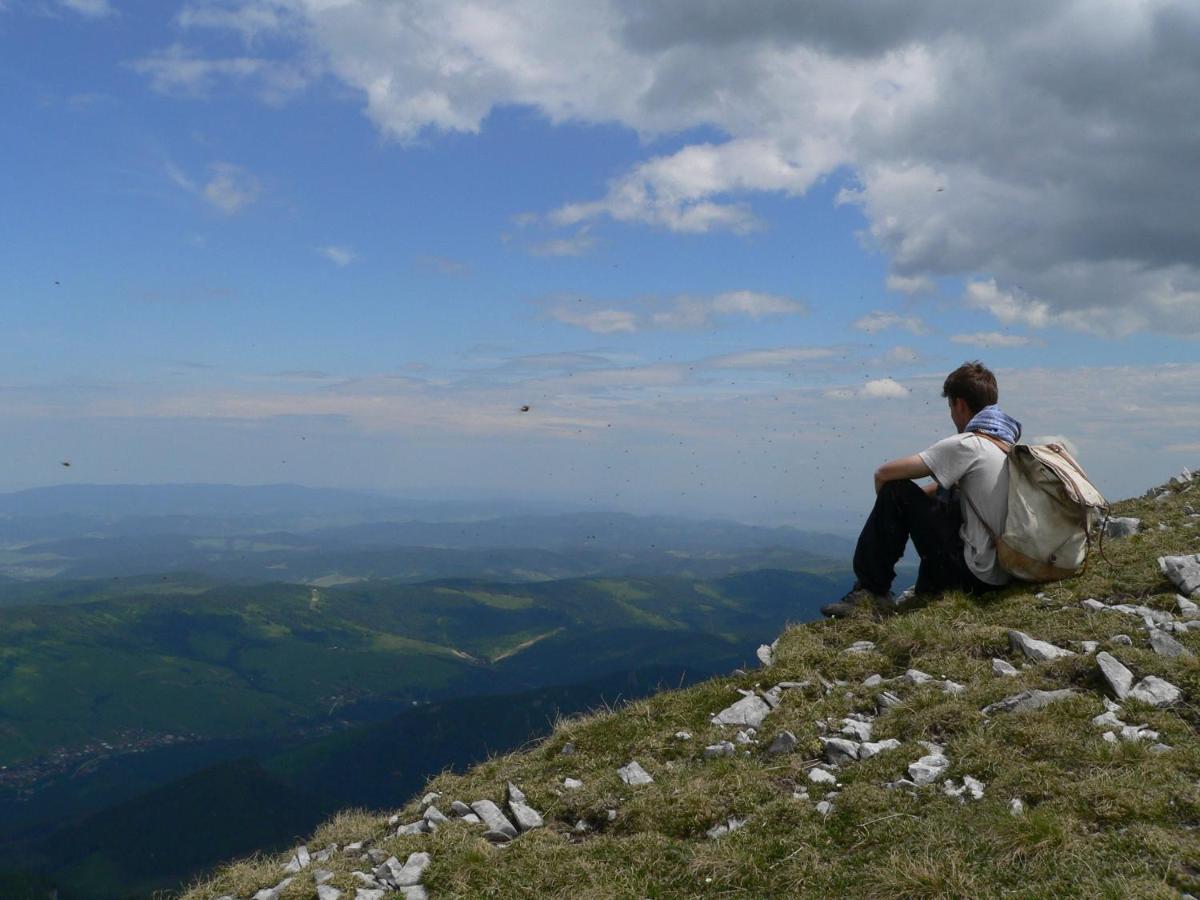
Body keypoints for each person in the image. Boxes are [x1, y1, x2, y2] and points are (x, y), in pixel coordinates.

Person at [821, 361, 1021, 617]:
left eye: (950, 407)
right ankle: (926, 586)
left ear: (959, 404)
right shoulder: (1004, 445)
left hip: (972, 576)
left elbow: (884, 474)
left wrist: (890, 517)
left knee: (895, 489)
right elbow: (951, 490)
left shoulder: (967, 445)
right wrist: (916, 507)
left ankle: (871, 590)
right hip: (1003, 573)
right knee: (947, 498)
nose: (951, 415)